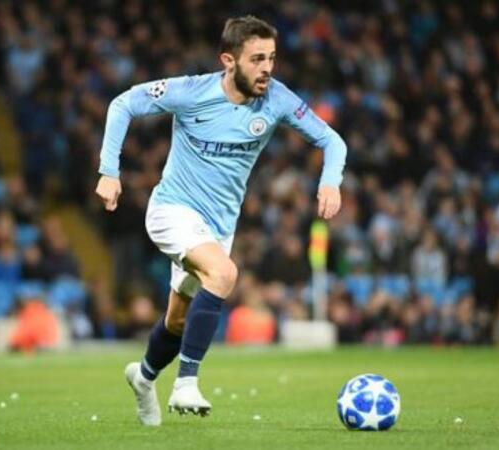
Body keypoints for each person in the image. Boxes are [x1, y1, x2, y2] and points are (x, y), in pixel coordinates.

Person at [95, 16, 346, 425]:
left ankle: (143, 377)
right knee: (225, 273)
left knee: (177, 321)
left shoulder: (277, 99)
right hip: (172, 210)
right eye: (257, 59)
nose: (267, 68)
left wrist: (330, 182)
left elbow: (331, 140)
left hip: (217, 228)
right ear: (229, 60)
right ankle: (186, 383)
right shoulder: (191, 91)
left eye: (272, 58)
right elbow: (122, 104)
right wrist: (109, 171)